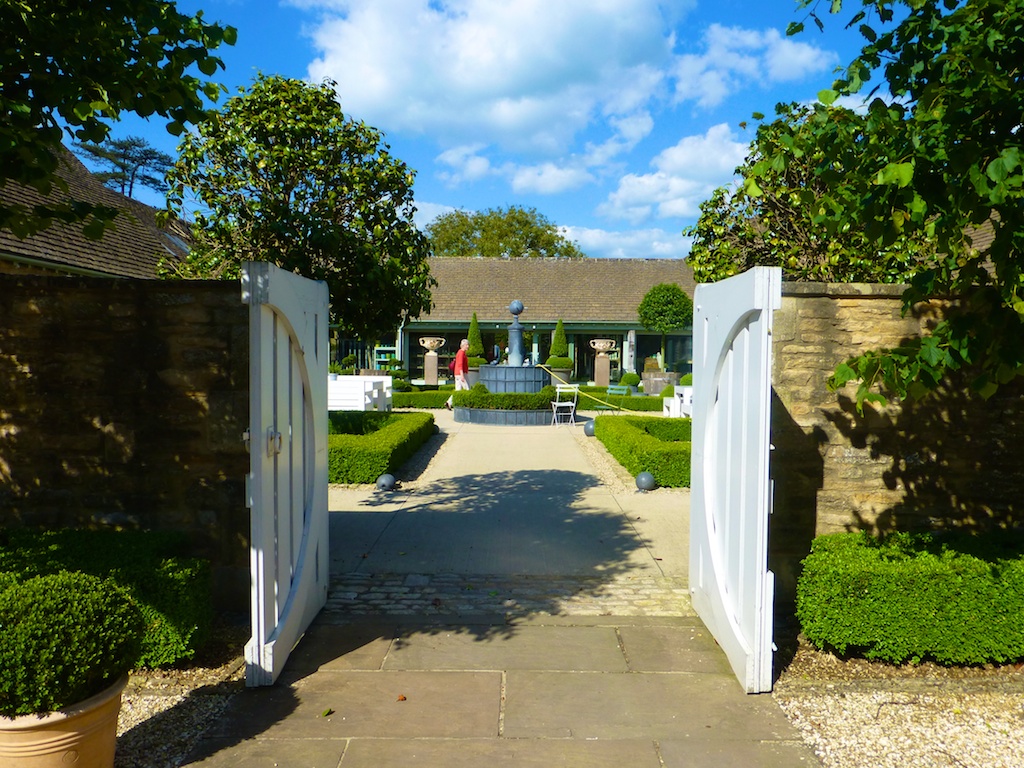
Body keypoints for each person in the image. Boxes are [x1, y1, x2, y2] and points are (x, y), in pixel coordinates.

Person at [446, 338, 470, 410]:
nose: (468, 346)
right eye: (467, 345)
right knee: (467, 389)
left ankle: (449, 403)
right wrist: (462, 375)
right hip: (461, 374)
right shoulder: (461, 353)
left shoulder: (460, 352)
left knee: (458, 390)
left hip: (457, 374)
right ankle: (467, 405)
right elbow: (460, 364)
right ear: (464, 345)